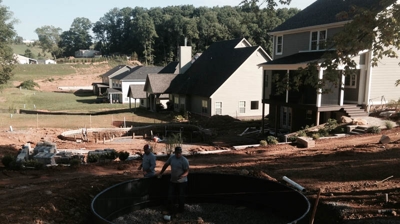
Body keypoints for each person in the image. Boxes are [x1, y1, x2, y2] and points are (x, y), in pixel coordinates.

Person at [158, 146, 189, 213]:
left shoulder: (184, 160)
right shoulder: (172, 158)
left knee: (181, 196)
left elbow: (187, 171)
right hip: (173, 180)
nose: (178, 154)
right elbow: (166, 165)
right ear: (175, 152)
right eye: (177, 153)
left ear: (181, 152)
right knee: (170, 194)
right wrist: (161, 173)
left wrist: (182, 176)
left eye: (179, 153)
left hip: (182, 182)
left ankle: (181, 209)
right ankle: (170, 208)